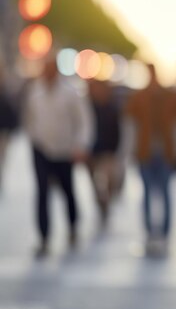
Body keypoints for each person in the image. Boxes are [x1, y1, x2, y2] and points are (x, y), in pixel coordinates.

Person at [23, 55, 94, 257]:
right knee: (42, 192)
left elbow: (83, 121)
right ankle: (44, 237)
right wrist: (34, 138)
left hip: (64, 150)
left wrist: (81, 145)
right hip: (41, 148)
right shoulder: (34, 91)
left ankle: (72, 227)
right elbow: (29, 118)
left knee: (68, 190)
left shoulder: (71, 92)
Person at [125, 63, 176, 256]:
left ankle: (163, 233)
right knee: (148, 193)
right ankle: (151, 232)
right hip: (146, 151)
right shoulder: (139, 98)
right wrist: (131, 150)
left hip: (165, 151)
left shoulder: (171, 97)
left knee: (163, 193)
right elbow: (132, 125)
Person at [86, 79, 123, 228]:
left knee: (110, 181)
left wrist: (116, 150)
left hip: (108, 151)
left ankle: (106, 201)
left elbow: (117, 130)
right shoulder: (88, 107)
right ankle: (100, 203)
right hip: (92, 152)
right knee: (94, 182)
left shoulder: (111, 108)